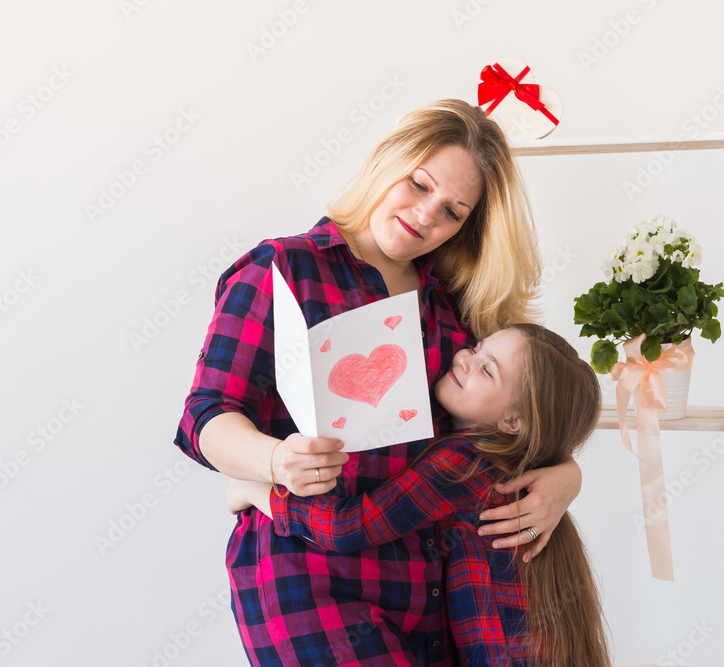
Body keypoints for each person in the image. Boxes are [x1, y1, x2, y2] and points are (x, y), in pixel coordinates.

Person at [173, 98, 584, 666]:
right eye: (418, 184)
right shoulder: (284, 270)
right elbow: (206, 414)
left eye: (452, 211)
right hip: (308, 573)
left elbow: (512, 413)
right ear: (388, 159)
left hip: (432, 587)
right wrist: (274, 462)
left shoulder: (456, 307)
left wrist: (566, 473)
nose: (426, 215)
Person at [228, 323, 612, 667]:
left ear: (515, 421)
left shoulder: (465, 462)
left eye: (487, 369)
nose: (464, 358)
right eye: (477, 348)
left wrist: (259, 491)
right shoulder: (505, 463)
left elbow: (350, 526)